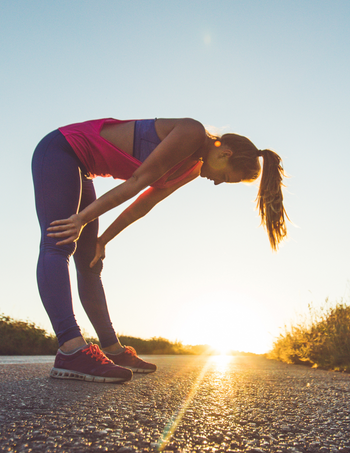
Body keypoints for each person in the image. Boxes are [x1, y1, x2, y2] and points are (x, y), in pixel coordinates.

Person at [32, 117, 287, 383]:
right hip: (61, 151)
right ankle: (70, 348)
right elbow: (137, 181)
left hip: (81, 168)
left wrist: (103, 240)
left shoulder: (191, 168)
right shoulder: (192, 132)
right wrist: (82, 219)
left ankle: (111, 349)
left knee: (90, 262)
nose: (217, 183)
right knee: (59, 241)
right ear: (225, 153)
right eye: (224, 177)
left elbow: (144, 204)